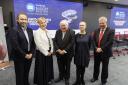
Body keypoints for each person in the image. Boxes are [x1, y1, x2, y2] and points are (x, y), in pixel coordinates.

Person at [11, 13, 35, 85]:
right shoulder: (14, 30)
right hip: (19, 57)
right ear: (17, 20)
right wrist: (25, 55)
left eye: (25, 19)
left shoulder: (30, 30)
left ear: (27, 20)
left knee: (26, 72)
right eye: (21, 19)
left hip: (29, 56)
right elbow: (15, 46)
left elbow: (32, 43)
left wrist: (31, 53)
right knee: (20, 75)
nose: (24, 21)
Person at [90, 16, 115, 85]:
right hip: (97, 52)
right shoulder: (96, 30)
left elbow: (110, 42)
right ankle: (95, 77)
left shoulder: (111, 31)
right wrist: (95, 48)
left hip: (105, 52)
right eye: (100, 23)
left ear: (106, 22)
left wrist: (101, 48)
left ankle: (104, 80)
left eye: (103, 23)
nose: (101, 25)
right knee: (96, 65)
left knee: (105, 67)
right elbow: (93, 40)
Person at [33, 17, 54, 85]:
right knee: (41, 68)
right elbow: (39, 45)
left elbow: (51, 42)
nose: (43, 24)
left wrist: (51, 50)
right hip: (41, 53)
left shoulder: (47, 31)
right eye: (41, 22)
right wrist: (46, 53)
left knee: (48, 67)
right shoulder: (37, 32)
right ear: (38, 24)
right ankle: (42, 82)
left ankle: (47, 79)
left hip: (49, 52)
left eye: (44, 22)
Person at [54, 20, 75, 85]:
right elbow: (55, 41)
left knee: (67, 66)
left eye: (64, 25)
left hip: (68, 53)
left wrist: (64, 50)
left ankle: (66, 78)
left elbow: (71, 43)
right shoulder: (58, 31)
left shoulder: (72, 32)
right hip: (59, 53)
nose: (63, 27)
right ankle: (61, 76)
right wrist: (58, 49)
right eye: (61, 25)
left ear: (67, 25)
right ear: (60, 26)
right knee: (60, 66)